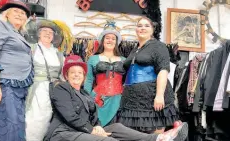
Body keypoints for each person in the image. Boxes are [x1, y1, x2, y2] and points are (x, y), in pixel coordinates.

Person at [44, 55, 188, 141]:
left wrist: (98, 126)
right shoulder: (61, 89)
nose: (76, 75)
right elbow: (69, 116)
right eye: (72, 72)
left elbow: (94, 116)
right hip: (64, 132)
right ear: (67, 75)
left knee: (116, 127)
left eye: (79, 73)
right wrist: (92, 129)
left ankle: (159, 138)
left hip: (82, 130)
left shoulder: (85, 94)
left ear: (84, 77)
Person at [0, 1, 33, 141]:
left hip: (17, 87)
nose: (20, 15)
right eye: (16, 11)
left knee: (15, 128)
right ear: (7, 14)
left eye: (23, 13)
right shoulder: (0, 25)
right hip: (3, 85)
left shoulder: (19, 34)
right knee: (6, 128)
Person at [118, 16, 179, 134]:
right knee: (133, 136)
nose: (142, 28)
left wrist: (159, 95)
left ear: (152, 29)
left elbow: (163, 70)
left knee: (153, 135)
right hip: (131, 99)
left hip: (151, 98)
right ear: (136, 29)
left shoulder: (158, 46)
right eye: (139, 26)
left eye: (146, 26)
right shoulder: (135, 48)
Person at [25, 19, 65, 141]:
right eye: (44, 31)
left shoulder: (58, 54)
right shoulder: (32, 49)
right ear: (38, 33)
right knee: (35, 119)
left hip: (54, 91)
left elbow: (62, 74)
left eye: (51, 32)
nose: (48, 34)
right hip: (36, 90)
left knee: (51, 120)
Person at [84, 21, 125, 126]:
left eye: (113, 38)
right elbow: (88, 80)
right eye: (107, 38)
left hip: (118, 100)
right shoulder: (93, 59)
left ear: (116, 42)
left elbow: (128, 81)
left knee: (117, 130)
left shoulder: (124, 60)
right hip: (98, 99)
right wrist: (86, 99)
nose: (110, 40)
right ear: (102, 40)